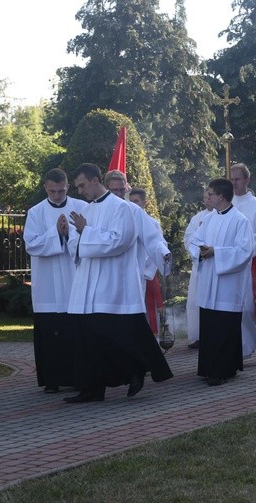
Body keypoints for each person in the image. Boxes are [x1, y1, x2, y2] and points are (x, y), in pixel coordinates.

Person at [65, 163, 172, 403]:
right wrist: (81, 234)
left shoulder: (123, 209)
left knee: (115, 334)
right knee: (89, 337)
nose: (80, 191)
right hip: (86, 285)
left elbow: (119, 241)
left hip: (113, 282)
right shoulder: (87, 210)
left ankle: (136, 372)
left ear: (95, 180)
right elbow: (74, 243)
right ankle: (92, 388)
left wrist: (87, 232)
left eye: (82, 185)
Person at [24, 168, 87, 393]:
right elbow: (31, 244)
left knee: (76, 332)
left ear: (68, 187)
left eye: (61, 191)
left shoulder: (81, 208)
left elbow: (89, 237)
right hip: (47, 284)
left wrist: (69, 233)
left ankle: (78, 377)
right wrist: (56, 233)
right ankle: (51, 380)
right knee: (50, 333)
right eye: (53, 191)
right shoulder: (35, 212)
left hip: (73, 279)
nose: (58, 195)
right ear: (45, 187)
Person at [189, 178, 254, 386]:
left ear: (222, 196)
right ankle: (209, 367)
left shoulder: (240, 220)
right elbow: (195, 241)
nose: (208, 197)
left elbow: (245, 252)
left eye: (211, 193)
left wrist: (216, 252)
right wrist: (201, 251)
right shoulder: (209, 218)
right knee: (210, 326)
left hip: (227, 285)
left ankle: (222, 370)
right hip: (209, 282)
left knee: (224, 327)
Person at [104, 171, 171, 335]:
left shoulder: (135, 211)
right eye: (114, 190)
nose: (118, 194)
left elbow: (152, 238)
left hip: (131, 273)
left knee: (133, 319)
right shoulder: (99, 211)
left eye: (121, 190)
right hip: (106, 275)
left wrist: (163, 252)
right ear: (106, 189)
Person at [230, 163, 256, 365]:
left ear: (247, 180)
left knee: (249, 309)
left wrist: (244, 250)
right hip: (228, 266)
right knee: (232, 309)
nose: (234, 183)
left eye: (237, 179)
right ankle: (239, 351)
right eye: (231, 179)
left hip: (249, 263)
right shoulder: (226, 203)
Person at [128, 188, 167, 341]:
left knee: (149, 307)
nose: (133, 205)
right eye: (131, 202)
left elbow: (158, 247)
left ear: (144, 202)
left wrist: (146, 271)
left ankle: (153, 340)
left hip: (146, 273)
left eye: (136, 201)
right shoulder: (126, 221)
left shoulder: (152, 223)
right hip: (130, 273)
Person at [183, 188, 213, 349]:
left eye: (209, 197)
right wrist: (197, 250)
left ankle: (212, 335)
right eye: (204, 197)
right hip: (200, 264)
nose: (206, 200)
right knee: (195, 300)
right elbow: (188, 238)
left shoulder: (222, 216)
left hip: (215, 264)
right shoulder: (197, 218)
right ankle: (197, 335)